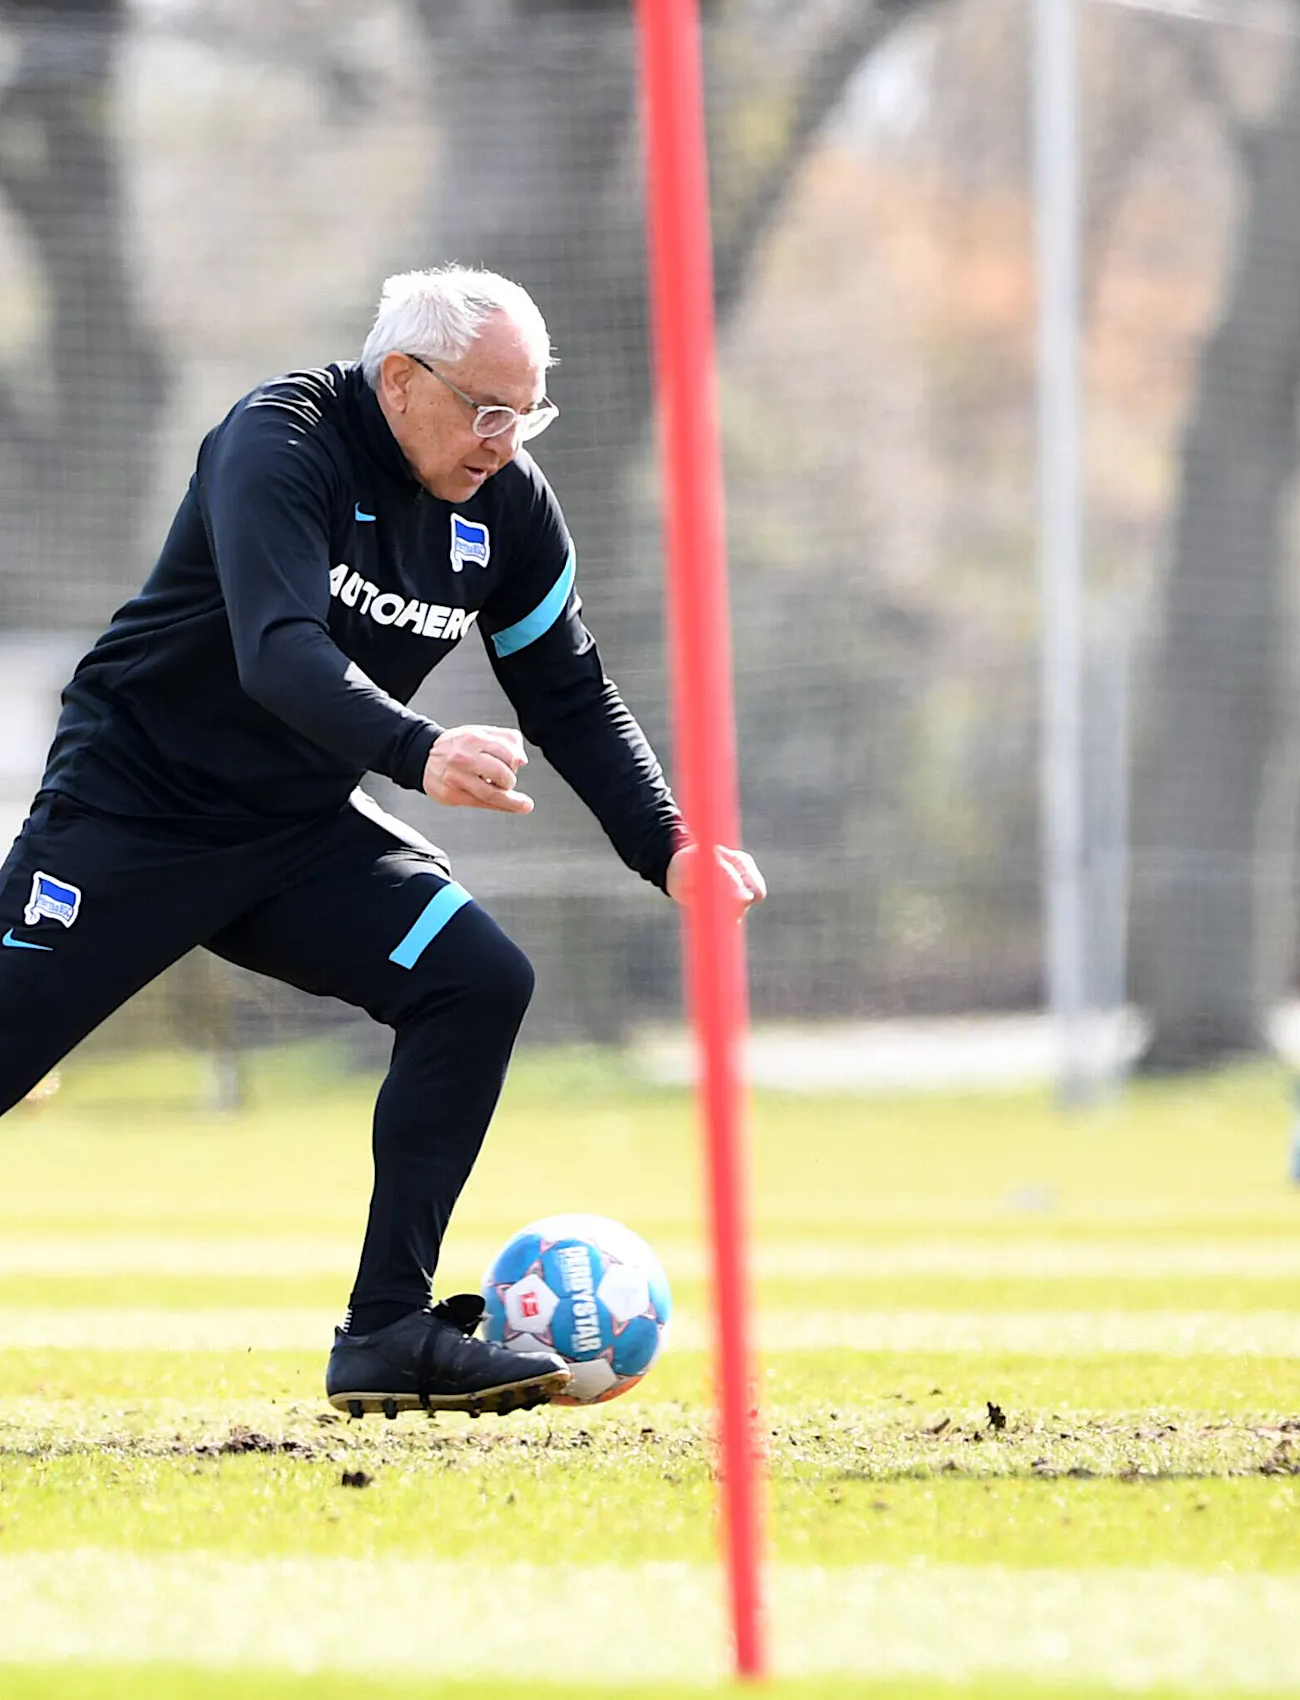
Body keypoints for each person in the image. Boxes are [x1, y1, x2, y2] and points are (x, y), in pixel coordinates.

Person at [0, 266, 765, 1419]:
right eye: (486, 409)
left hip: (295, 831)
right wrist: (418, 750)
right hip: (132, 811)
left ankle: (386, 1332)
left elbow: (568, 692)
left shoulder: (508, 509)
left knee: (476, 979)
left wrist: (668, 845)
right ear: (400, 378)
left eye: (526, 414)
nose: (505, 440)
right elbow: (278, 650)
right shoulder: (278, 440)